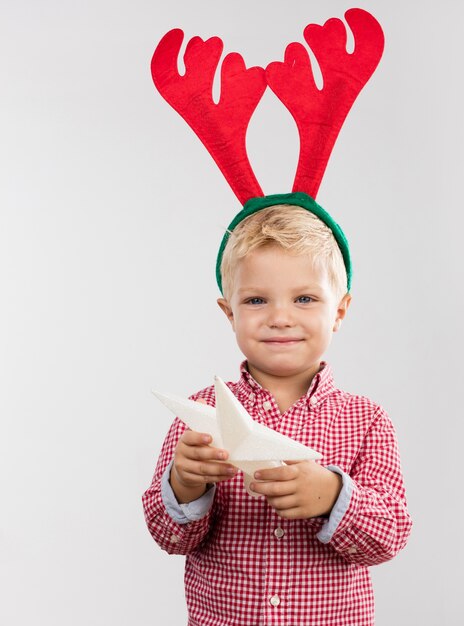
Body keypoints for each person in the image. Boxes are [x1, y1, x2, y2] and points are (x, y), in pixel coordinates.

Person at [142, 203, 412, 626]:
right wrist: (186, 484)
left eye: (304, 298)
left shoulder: (367, 420)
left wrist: (334, 496)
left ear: (339, 311)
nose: (280, 318)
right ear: (229, 313)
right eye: (256, 300)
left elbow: (388, 538)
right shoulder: (200, 414)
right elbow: (168, 536)